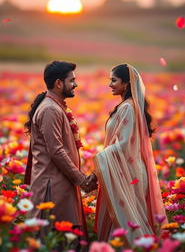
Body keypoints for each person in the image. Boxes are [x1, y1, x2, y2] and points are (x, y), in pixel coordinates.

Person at [94, 64, 167, 246]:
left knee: (130, 219)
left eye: (114, 80)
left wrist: (99, 158)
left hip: (129, 172)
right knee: (128, 216)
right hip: (127, 168)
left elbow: (124, 144)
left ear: (126, 84)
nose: (110, 84)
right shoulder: (127, 106)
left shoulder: (128, 107)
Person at [24, 61, 98, 241]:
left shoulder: (55, 106)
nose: (76, 84)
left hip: (59, 181)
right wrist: (81, 180)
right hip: (52, 186)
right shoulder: (50, 109)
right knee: (55, 238)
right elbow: (56, 151)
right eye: (72, 80)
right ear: (58, 83)